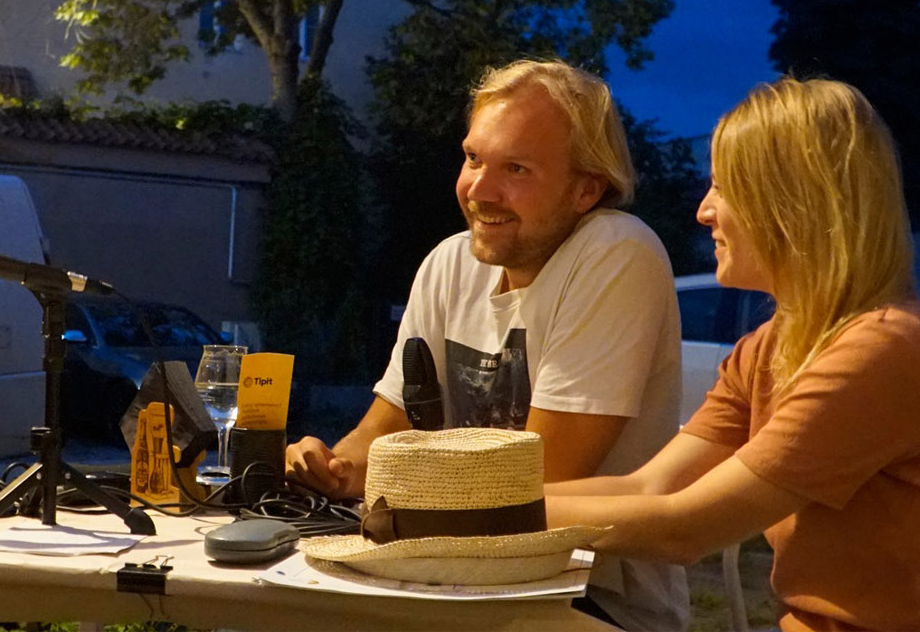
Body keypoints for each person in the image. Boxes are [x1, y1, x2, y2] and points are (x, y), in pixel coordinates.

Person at [285, 59, 688, 630]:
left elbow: (545, 477)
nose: (479, 189)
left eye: (516, 169)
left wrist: (381, 484)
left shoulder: (618, 252)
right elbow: (388, 427)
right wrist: (332, 465)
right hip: (440, 576)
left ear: (586, 189)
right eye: (474, 158)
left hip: (585, 601)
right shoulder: (450, 261)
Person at [547, 78, 920, 631]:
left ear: (792, 199)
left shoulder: (884, 347)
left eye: (723, 187)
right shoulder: (767, 347)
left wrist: (470, 515)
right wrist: (472, 497)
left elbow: (685, 527)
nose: (703, 212)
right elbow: (650, 487)